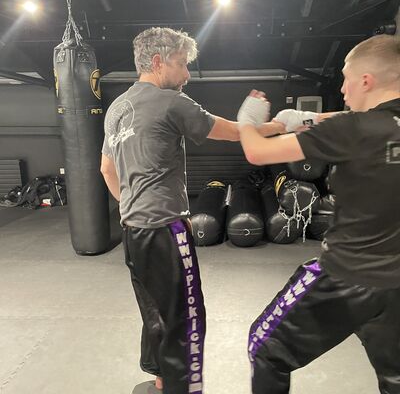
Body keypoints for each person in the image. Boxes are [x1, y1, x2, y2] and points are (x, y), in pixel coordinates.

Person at [100, 27, 284, 394]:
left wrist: (135, 206)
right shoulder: (172, 103)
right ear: (158, 62)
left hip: (134, 231)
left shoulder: (117, 108)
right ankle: (184, 389)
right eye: (182, 64)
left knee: (155, 312)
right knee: (186, 317)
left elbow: (107, 170)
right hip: (166, 230)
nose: (186, 75)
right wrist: (277, 126)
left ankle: (161, 381)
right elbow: (233, 132)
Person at [236, 33, 400, 394]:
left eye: (346, 78)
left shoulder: (352, 130)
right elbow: (355, 119)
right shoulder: (364, 125)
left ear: (366, 81)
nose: (342, 88)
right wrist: (304, 118)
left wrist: (247, 121)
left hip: (348, 275)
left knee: (265, 348)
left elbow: (256, 153)